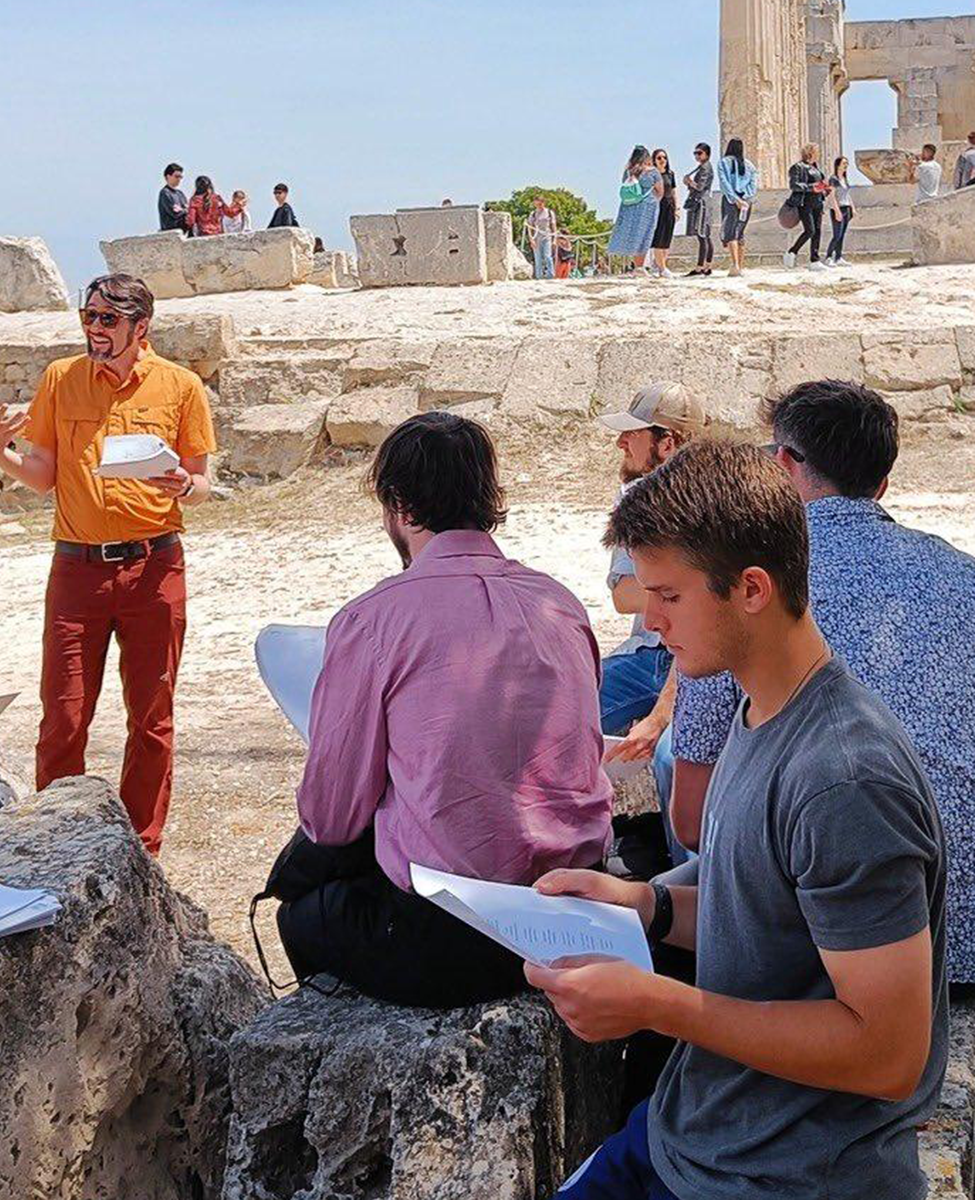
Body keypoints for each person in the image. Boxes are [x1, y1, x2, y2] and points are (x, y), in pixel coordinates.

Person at [536, 439, 946, 1200]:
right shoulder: (758, 706)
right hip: (693, 1135)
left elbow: (888, 1053)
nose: (650, 620)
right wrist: (646, 904)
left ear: (751, 589)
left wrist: (659, 1006)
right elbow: (761, 905)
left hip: (783, 1175)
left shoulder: (843, 778)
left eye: (670, 595)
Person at [269, 412, 612, 1008]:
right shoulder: (559, 601)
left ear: (399, 506)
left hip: (462, 927)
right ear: (487, 498)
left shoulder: (373, 619)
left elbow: (331, 817)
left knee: (300, 911)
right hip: (578, 903)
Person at [665, 381, 975, 990]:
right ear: (880, 485)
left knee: (670, 765)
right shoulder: (962, 573)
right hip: (963, 933)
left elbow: (695, 821)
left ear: (781, 465)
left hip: (845, 963)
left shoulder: (743, 588)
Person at [0, 274, 216, 856]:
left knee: (152, 718)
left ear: (140, 327)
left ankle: (141, 849)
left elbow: (203, 483)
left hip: (155, 568)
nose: (94, 329)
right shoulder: (61, 378)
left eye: (108, 320)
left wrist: (185, 484)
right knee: (64, 715)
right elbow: (43, 475)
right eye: (89, 316)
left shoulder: (181, 387)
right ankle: (57, 847)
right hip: (77, 571)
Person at [594, 383, 705, 737]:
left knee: (562, 718)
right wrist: (699, 594)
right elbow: (625, 596)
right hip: (659, 654)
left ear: (667, 443)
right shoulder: (636, 499)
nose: (620, 443)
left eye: (632, 433)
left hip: (676, 658)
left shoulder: (641, 499)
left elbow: (627, 595)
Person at [608, 146, 663, 272]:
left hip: (629, 207)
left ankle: (637, 265)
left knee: (633, 234)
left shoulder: (628, 171)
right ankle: (640, 266)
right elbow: (660, 192)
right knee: (644, 235)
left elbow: (625, 184)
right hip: (647, 207)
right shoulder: (653, 171)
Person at [783, 143, 830, 272]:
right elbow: (794, 185)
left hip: (818, 203)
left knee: (818, 231)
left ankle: (814, 260)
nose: (819, 153)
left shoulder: (815, 168)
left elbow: (819, 185)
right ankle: (792, 252)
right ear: (810, 152)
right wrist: (812, 187)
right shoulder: (798, 167)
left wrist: (825, 189)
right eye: (817, 151)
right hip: (805, 203)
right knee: (810, 231)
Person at [716, 137, 758, 277]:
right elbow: (753, 186)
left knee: (731, 233)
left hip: (730, 201)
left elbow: (724, 183)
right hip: (746, 202)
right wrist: (745, 199)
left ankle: (735, 266)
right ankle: (740, 265)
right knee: (740, 232)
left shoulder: (723, 162)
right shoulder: (750, 166)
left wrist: (735, 199)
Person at [682, 142, 716, 277]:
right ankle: (706, 266)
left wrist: (689, 182)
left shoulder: (705, 168)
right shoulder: (702, 167)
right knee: (704, 236)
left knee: (702, 235)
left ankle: (701, 267)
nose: (697, 155)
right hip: (702, 202)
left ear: (707, 154)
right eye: (695, 153)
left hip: (702, 203)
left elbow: (700, 187)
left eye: (699, 153)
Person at [647, 148, 678, 277]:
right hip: (657, 208)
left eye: (664, 157)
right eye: (659, 158)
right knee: (659, 238)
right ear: (654, 160)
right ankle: (663, 268)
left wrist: (677, 208)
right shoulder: (652, 175)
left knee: (667, 239)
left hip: (669, 207)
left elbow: (674, 191)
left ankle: (661, 268)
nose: (662, 160)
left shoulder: (670, 174)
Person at [825, 155, 855, 267]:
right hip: (838, 209)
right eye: (844, 163)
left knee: (842, 235)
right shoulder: (833, 179)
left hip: (847, 208)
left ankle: (838, 257)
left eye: (847, 163)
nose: (846, 165)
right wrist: (837, 211)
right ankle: (828, 257)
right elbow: (832, 196)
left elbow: (847, 195)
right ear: (838, 165)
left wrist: (853, 208)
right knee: (836, 235)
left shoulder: (844, 179)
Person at [527, 194, 559, 279]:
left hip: (547, 237)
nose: (539, 206)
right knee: (538, 259)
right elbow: (529, 227)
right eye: (537, 204)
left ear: (543, 203)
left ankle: (550, 275)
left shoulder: (549, 212)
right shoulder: (533, 214)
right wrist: (531, 240)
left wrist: (554, 239)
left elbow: (553, 226)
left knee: (548, 256)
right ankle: (539, 277)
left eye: (540, 204)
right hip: (536, 238)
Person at [158, 162, 188, 233]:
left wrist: (183, 210)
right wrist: (185, 210)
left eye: (180, 177)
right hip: (171, 229)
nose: (179, 179)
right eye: (176, 176)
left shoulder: (180, 194)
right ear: (168, 176)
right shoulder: (165, 193)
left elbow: (187, 210)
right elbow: (175, 214)